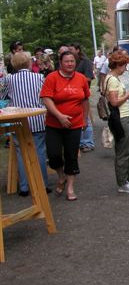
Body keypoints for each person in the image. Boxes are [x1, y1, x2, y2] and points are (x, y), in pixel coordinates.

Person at [40, 50, 90, 201]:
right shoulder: (52, 77)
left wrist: (85, 119)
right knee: (53, 154)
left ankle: (70, 187)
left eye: (72, 61)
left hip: (74, 124)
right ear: (60, 63)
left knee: (71, 155)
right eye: (67, 61)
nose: (70, 64)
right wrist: (59, 116)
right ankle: (61, 175)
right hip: (54, 124)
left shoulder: (81, 79)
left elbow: (85, 100)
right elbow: (46, 99)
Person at [0, 51, 49, 197]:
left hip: (18, 120)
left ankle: (24, 186)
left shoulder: (9, 79)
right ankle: (43, 184)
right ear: (29, 62)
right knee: (40, 151)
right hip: (38, 119)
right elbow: (44, 97)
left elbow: (2, 96)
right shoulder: (40, 77)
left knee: (21, 153)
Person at [105, 51, 129, 194]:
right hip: (121, 117)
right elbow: (114, 102)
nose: (126, 69)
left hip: (125, 116)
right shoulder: (113, 80)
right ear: (118, 65)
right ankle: (123, 182)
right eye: (124, 66)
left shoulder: (113, 78)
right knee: (124, 150)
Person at [69, 43, 95, 152]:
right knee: (75, 119)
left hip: (82, 94)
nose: (69, 51)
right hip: (71, 94)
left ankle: (88, 142)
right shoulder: (70, 63)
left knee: (85, 118)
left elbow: (89, 78)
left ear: (77, 50)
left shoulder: (86, 62)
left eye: (71, 49)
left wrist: (75, 79)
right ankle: (78, 142)